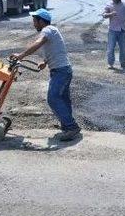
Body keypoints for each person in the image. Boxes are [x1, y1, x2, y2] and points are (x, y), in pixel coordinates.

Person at [11, 8, 80, 141]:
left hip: (61, 71)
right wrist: (44, 62)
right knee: (63, 99)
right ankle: (67, 126)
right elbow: (56, 49)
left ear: (41, 21)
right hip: (61, 70)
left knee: (53, 98)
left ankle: (71, 127)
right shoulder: (51, 31)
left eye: (34, 21)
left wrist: (21, 55)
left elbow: (39, 43)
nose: (33, 24)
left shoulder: (48, 30)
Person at [103, 0, 125, 69]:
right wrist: (111, 14)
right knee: (111, 47)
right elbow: (104, 15)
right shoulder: (109, 5)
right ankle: (110, 63)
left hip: (122, 29)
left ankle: (123, 63)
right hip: (112, 29)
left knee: (123, 48)